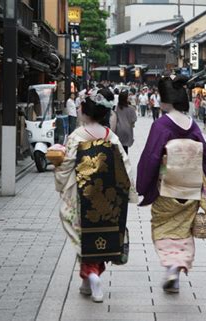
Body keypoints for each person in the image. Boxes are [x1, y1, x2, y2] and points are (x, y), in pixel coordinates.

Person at [55, 88, 136, 303]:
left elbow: (66, 166)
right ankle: (89, 280)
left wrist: (61, 182)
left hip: (82, 196)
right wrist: (128, 192)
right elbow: (125, 167)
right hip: (108, 196)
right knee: (103, 235)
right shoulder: (111, 136)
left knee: (82, 236)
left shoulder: (77, 136)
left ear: (84, 112)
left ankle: (91, 275)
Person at [136, 75, 206, 294]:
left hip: (166, 188)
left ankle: (171, 267)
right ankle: (177, 268)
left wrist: (143, 184)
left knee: (163, 227)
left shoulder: (161, 125)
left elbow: (152, 156)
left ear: (164, 101)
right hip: (189, 190)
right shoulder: (192, 125)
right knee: (183, 230)